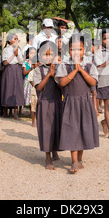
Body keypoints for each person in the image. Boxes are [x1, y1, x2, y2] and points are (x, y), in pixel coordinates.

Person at [56, 34, 100, 174]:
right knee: (72, 130)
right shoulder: (65, 66)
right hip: (71, 103)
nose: (76, 52)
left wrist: (81, 69)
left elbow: (93, 82)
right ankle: (74, 161)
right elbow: (62, 83)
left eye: (79, 49)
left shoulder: (89, 65)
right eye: (73, 49)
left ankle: (79, 159)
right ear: (68, 50)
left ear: (84, 50)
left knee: (82, 129)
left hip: (85, 103)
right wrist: (75, 70)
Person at [33, 41, 62, 170]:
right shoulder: (37, 70)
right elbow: (38, 88)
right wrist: (49, 75)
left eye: (51, 54)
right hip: (44, 103)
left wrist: (55, 73)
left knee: (57, 128)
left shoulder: (60, 68)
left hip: (57, 103)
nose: (48, 57)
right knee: (46, 130)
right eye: (46, 54)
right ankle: (48, 157)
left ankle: (55, 150)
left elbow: (62, 85)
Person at [1, 32, 25, 118]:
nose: (16, 40)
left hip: (17, 69)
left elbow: (21, 62)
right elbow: (5, 62)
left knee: (17, 89)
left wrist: (17, 54)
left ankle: (15, 111)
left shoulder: (19, 49)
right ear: (10, 40)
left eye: (17, 39)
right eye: (15, 38)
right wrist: (14, 55)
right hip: (9, 69)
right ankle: (5, 111)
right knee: (8, 88)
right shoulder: (6, 50)